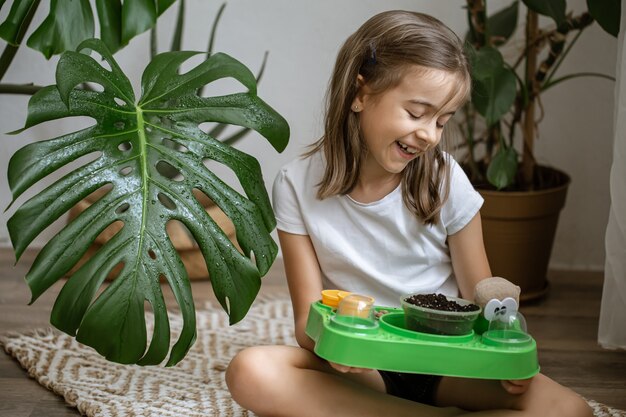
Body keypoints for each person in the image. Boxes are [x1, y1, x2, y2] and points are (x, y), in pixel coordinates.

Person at [226, 10, 592, 417]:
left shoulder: (447, 180)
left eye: (442, 120)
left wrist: (506, 353)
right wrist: (338, 347)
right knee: (250, 371)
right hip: (361, 371)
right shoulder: (296, 185)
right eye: (417, 114)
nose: (430, 134)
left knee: (570, 410)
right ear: (360, 93)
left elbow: (482, 295)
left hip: (449, 366)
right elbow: (306, 326)